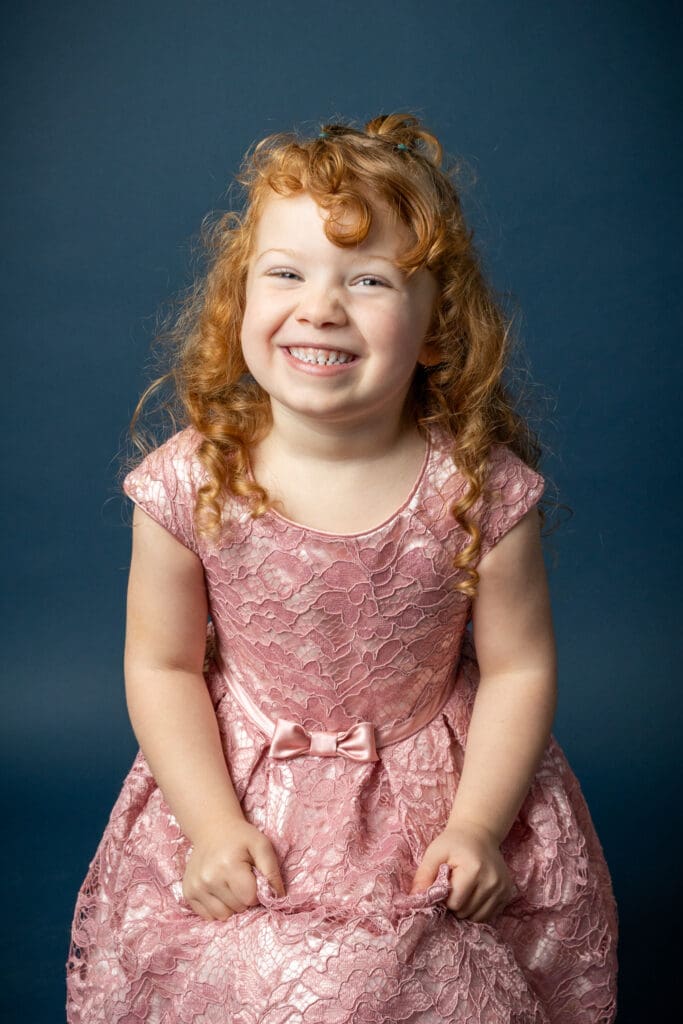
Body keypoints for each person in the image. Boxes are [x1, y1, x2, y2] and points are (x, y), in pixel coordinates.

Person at [66, 113, 618, 1023]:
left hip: (431, 793)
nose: (319, 307)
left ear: (436, 329)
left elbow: (518, 665)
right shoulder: (187, 482)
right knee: (242, 975)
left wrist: (478, 826)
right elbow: (161, 663)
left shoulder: (477, 491)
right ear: (241, 301)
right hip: (241, 789)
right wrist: (209, 826)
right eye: (285, 274)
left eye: (366, 281)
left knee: (429, 980)